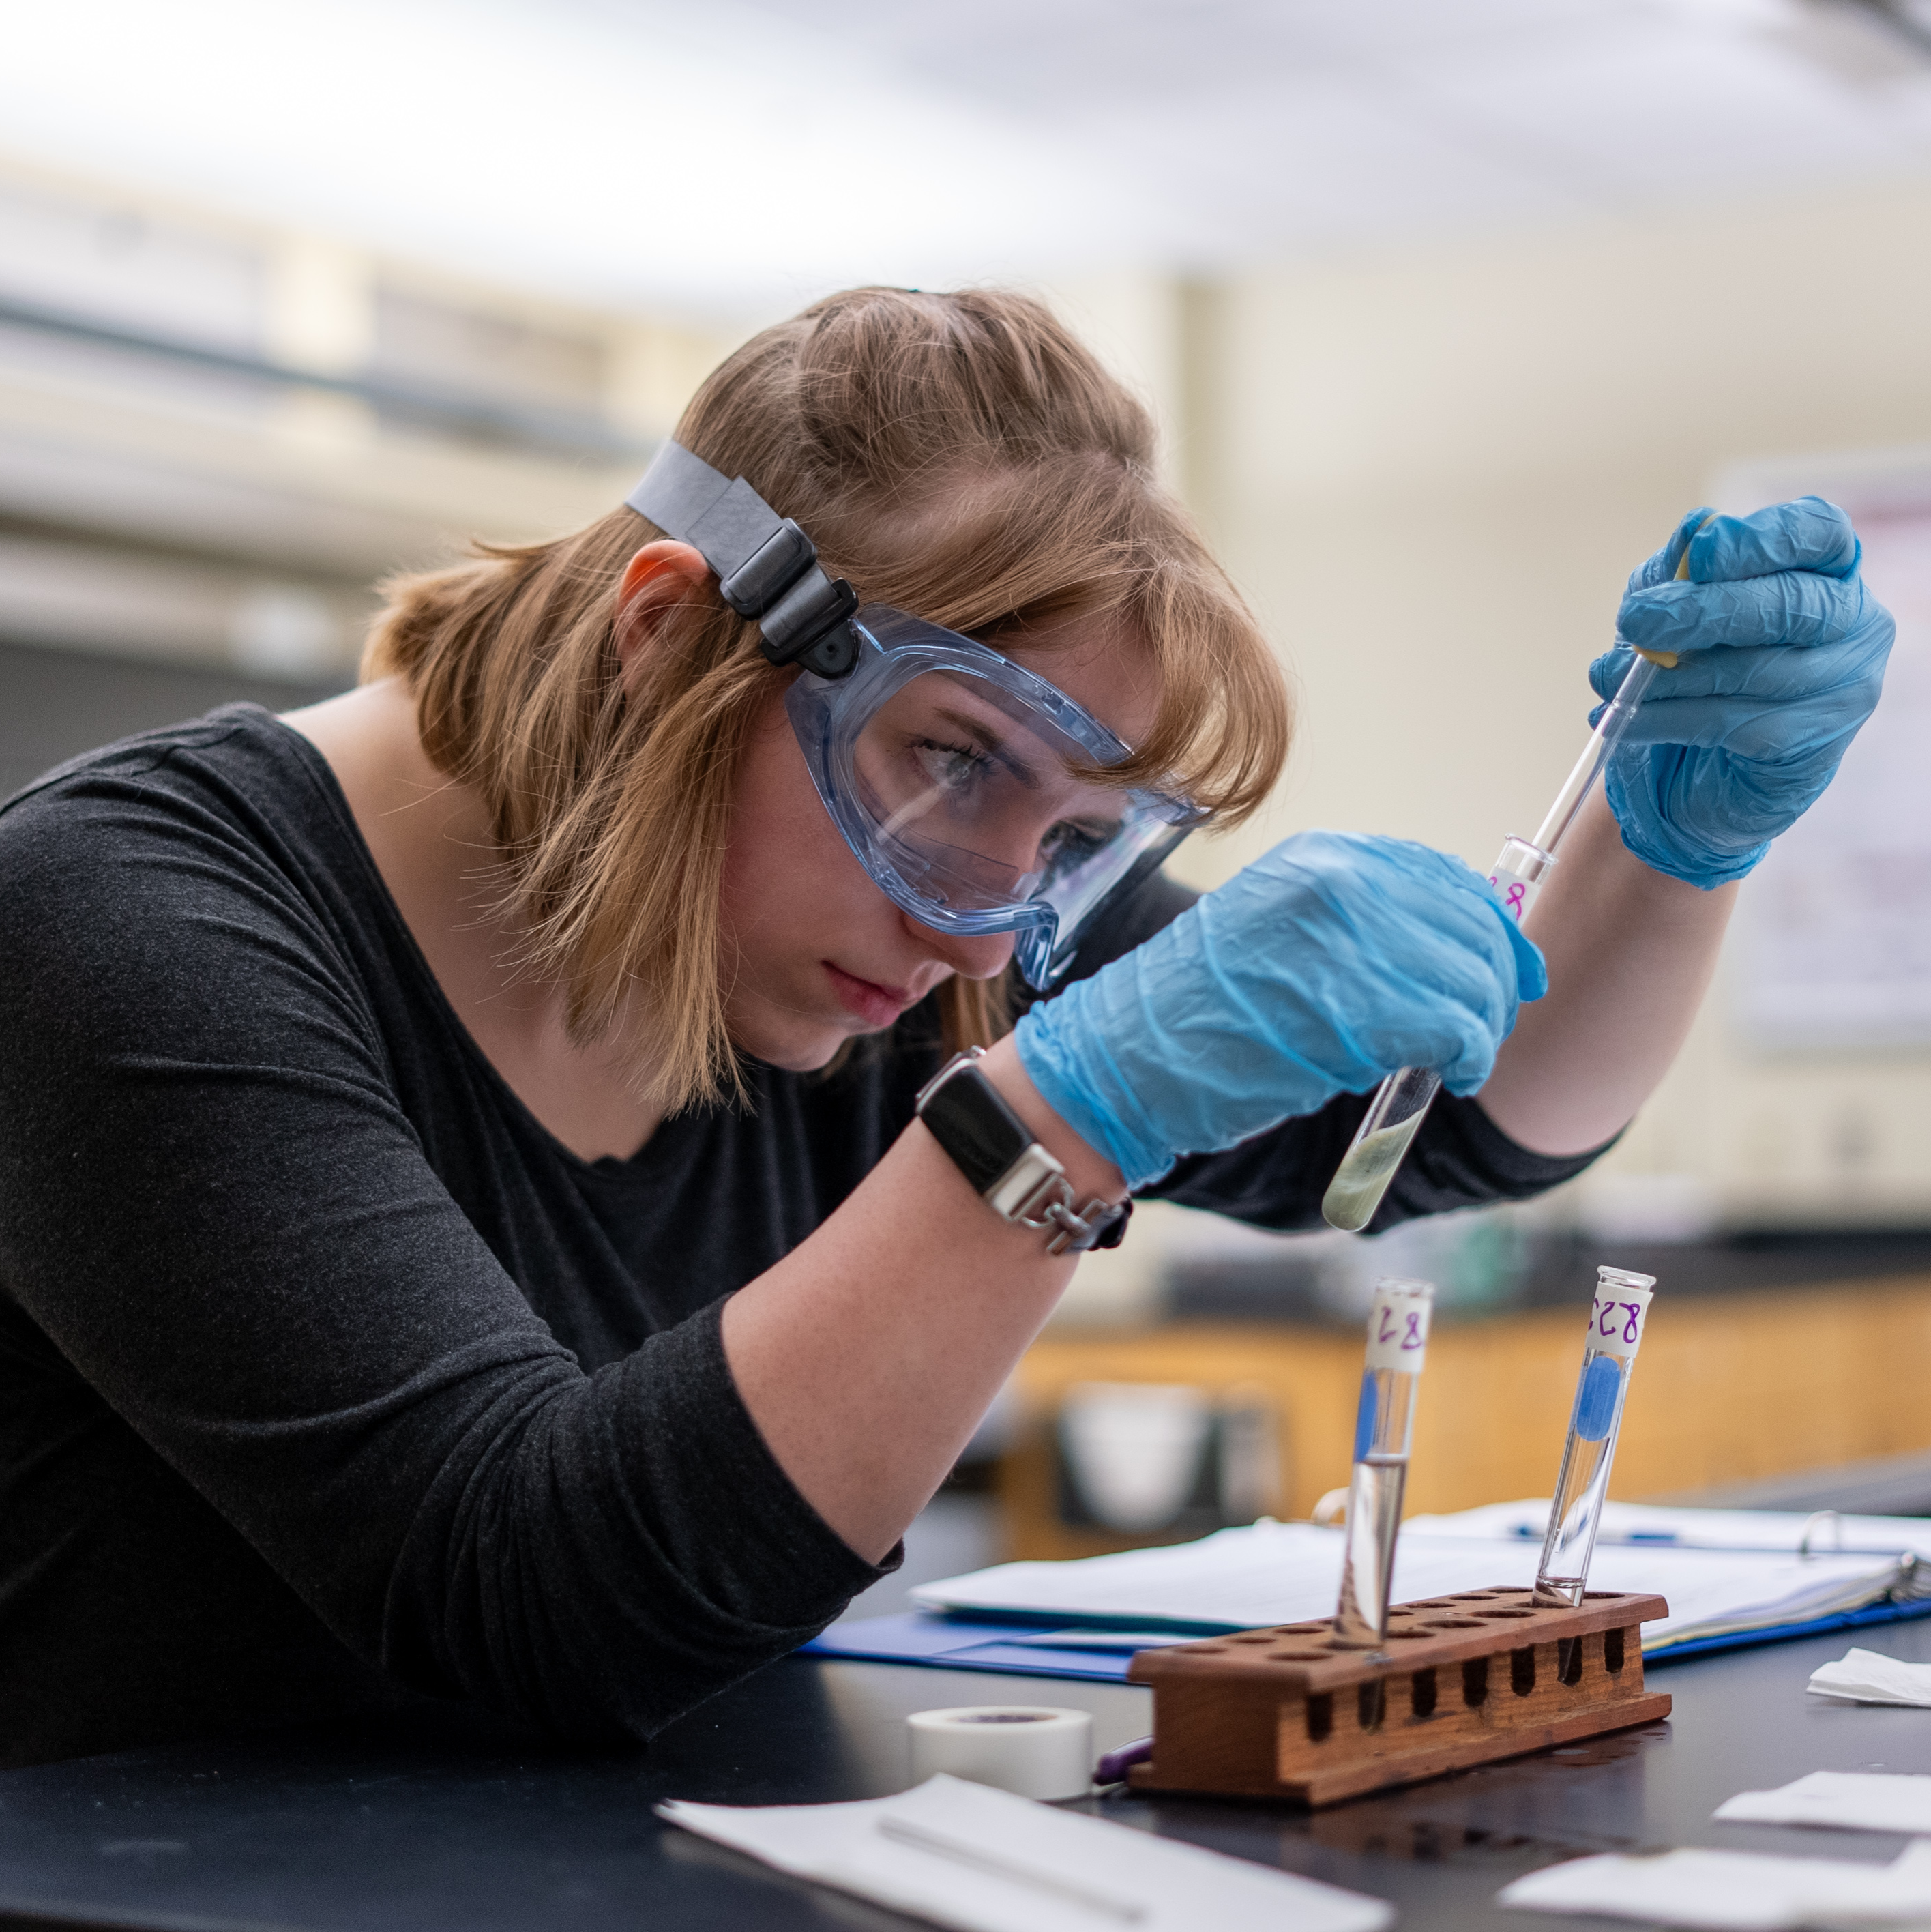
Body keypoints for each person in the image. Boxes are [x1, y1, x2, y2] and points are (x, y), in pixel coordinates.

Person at [0, 288, 1892, 1768]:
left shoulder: (906, 895)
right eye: (949, 757)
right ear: (671, 635)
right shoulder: (124, 925)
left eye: (1079, 835)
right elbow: (535, 1605)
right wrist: (1037, 1135)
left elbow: (1434, 1136)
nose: (980, 908)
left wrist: (1671, 843)